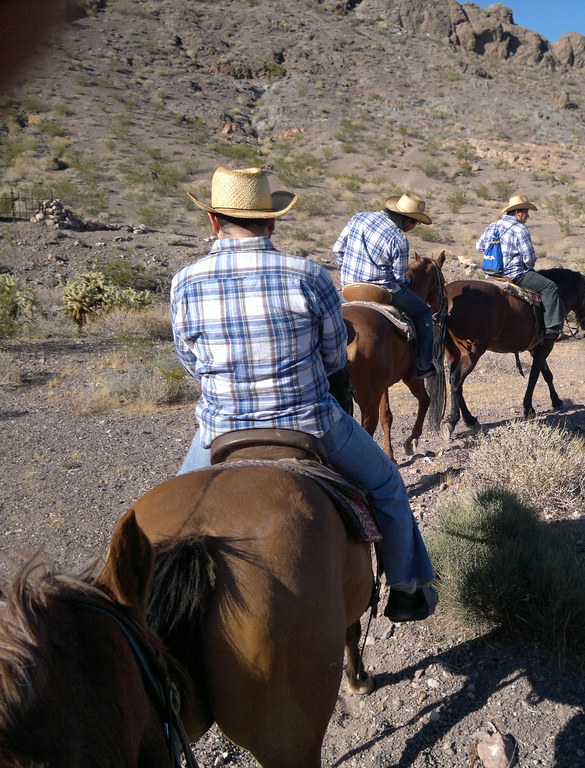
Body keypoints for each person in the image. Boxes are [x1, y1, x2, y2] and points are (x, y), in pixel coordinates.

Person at [171, 167, 436, 622]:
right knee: (388, 487)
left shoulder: (185, 281)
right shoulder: (307, 276)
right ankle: (407, 587)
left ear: (213, 221)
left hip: (219, 427)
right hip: (308, 421)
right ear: (273, 221)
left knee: (173, 512)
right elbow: (335, 356)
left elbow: (190, 362)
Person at [332, 193, 436, 378]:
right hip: (381, 291)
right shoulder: (399, 239)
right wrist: (407, 282)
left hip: (349, 287)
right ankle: (423, 364)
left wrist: (350, 270)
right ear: (408, 222)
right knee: (423, 313)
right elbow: (398, 276)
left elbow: (337, 250)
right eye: (415, 224)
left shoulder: (359, 217)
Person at [476, 194, 563, 340]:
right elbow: (529, 258)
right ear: (518, 213)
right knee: (550, 287)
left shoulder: (493, 226)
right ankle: (551, 328)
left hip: (490, 275)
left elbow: (479, 247)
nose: (528, 216)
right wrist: (528, 266)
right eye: (526, 212)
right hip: (515, 275)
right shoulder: (520, 229)